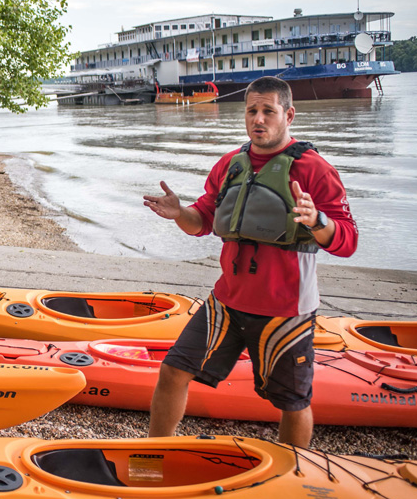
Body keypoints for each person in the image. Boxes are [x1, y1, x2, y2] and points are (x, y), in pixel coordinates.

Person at [142, 76, 357, 448]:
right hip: (227, 302)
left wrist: (317, 220)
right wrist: (179, 213)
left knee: (292, 402)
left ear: (289, 115)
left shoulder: (315, 170)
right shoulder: (230, 164)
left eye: (268, 111)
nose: (258, 119)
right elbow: (203, 221)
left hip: (285, 310)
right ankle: (153, 457)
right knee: (174, 370)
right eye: (251, 111)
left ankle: (293, 472)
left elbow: (348, 241)